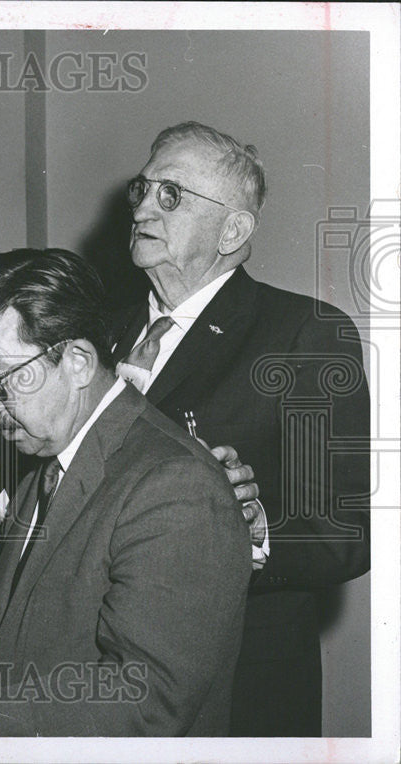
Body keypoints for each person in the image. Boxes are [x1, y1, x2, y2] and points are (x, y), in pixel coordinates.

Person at [0, 248, 252, 736]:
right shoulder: (46, 465)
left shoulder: (175, 488)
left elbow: (149, 700)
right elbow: (46, 623)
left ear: (79, 362)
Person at [111, 122, 370, 735]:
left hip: (238, 677)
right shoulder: (96, 330)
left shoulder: (305, 334)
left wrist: (250, 533)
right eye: (143, 189)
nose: (144, 207)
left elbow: (342, 535)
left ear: (233, 230)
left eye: (171, 195)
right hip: (106, 662)